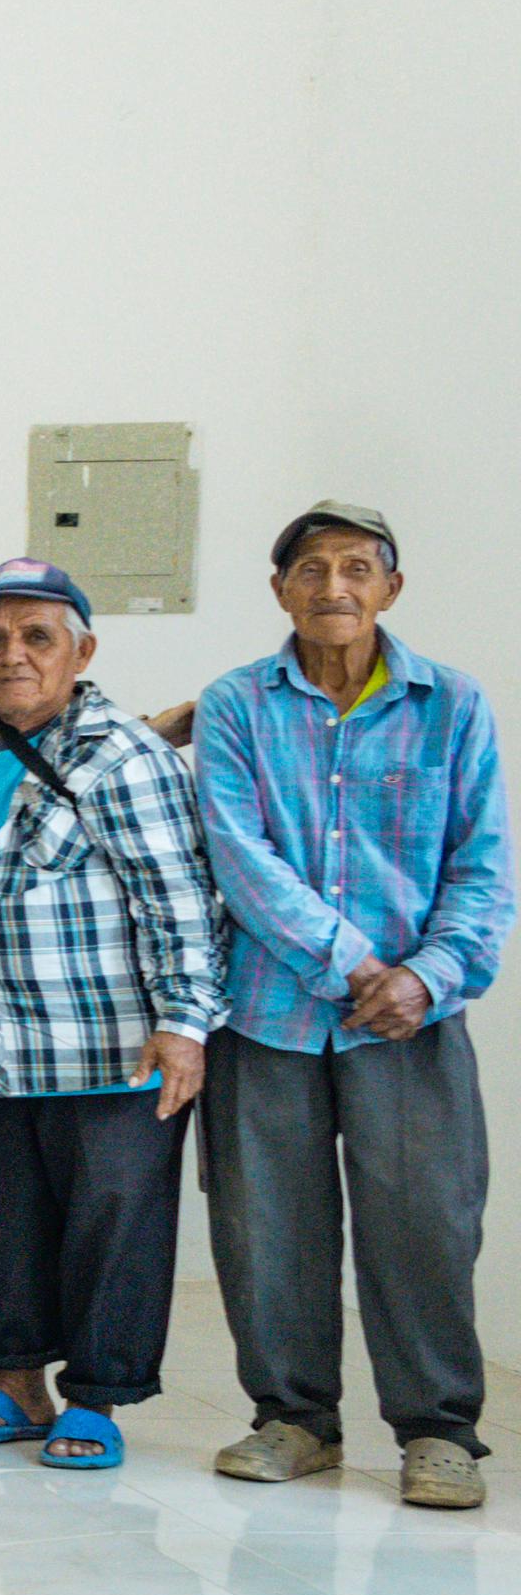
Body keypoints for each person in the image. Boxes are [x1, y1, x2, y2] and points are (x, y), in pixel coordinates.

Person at [196, 505, 506, 1510]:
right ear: (280, 589)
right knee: (265, 1228)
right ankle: (293, 1418)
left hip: (413, 1019)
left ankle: (437, 1430)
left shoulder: (451, 704)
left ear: (389, 588)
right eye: (311, 569)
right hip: (266, 1013)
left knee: (424, 1226)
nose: (334, 586)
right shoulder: (236, 704)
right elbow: (240, 858)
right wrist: (352, 965)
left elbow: (481, 865)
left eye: (357, 568)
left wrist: (425, 976)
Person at [0, 560, 221, 1472]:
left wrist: (185, 1025)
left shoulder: (125, 756)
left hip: (112, 1048)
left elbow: (181, 903)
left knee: (114, 1227)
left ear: (82, 653)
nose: (13, 654)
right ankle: (15, 1387)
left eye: (37, 637)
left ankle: (96, 1399)